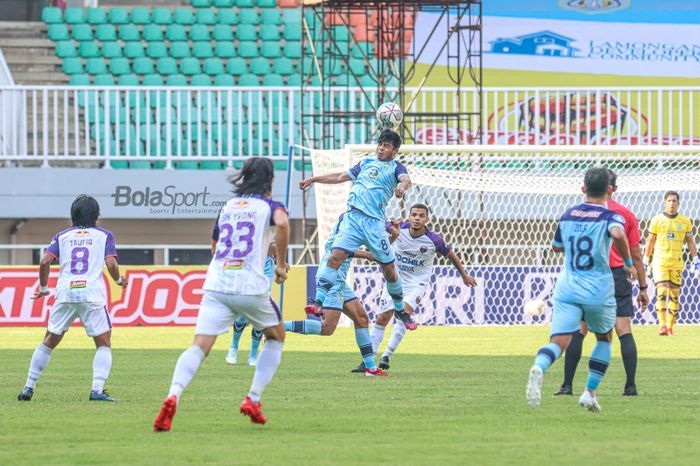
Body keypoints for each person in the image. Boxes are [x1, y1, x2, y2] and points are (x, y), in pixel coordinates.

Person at [154, 158, 289, 431]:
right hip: (249, 285)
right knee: (276, 337)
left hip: (216, 283)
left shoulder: (228, 206)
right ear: (270, 180)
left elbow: (214, 247)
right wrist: (281, 264)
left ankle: (173, 395)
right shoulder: (271, 205)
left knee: (199, 346)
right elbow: (283, 224)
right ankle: (253, 399)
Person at [526, 167, 637, 413]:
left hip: (567, 287)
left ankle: (539, 367)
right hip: (597, 288)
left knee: (560, 341)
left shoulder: (567, 214)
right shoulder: (610, 217)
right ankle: (589, 392)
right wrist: (628, 264)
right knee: (604, 338)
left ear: (583, 188)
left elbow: (556, 247)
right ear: (609, 190)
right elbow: (618, 234)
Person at [299, 129, 416, 330]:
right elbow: (340, 176)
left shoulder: (396, 167)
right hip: (353, 218)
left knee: (389, 270)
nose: (381, 148)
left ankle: (400, 310)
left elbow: (406, 179)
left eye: (386, 145)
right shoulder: (365, 163)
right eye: (380, 144)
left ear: (394, 151)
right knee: (334, 256)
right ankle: (318, 302)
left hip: (374, 224)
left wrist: (402, 187)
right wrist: (314, 179)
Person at [18, 195, 128, 402]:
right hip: (91, 293)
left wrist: (43, 288)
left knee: (49, 340)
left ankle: (28, 388)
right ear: (96, 216)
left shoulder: (62, 236)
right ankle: (96, 390)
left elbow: (44, 261)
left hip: (65, 292)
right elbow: (111, 265)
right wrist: (119, 280)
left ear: (73, 216)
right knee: (103, 343)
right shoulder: (104, 235)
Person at [556, 169, 650, 397]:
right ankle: (630, 386)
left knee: (580, 329)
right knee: (623, 329)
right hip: (618, 275)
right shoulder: (625, 215)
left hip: (588, 275)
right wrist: (643, 287)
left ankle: (567, 385)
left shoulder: (578, 212)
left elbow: (563, 245)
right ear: (612, 189)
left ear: (586, 187)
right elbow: (636, 255)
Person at [351, 204, 477, 372]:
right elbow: (377, 224)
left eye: (421, 216)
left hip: (417, 283)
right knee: (382, 318)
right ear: (409, 217)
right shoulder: (397, 228)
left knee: (403, 312)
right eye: (414, 215)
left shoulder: (434, 240)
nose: (417, 218)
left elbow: (451, 255)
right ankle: (368, 360)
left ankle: (387, 355)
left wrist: (464, 275)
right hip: (394, 279)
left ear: (426, 219)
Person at [283, 213, 388, 376]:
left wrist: (392, 231)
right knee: (327, 328)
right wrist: (366, 253)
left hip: (338, 280)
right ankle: (278, 326)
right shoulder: (351, 218)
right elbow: (339, 248)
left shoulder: (360, 217)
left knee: (361, 318)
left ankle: (370, 368)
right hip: (330, 277)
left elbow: (379, 246)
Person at [644, 191, 699, 336]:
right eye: (669, 201)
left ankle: (670, 327)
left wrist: (696, 260)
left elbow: (690, 242)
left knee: (675, 295)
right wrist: (645, 259)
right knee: (661, 292)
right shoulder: (656, 220)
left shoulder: (685, 221)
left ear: (678, 203)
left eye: (674, 201)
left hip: (677, 262)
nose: (672, 203)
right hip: (660, 261)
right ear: (664, 202)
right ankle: (662, 325)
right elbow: (650, 241)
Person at [225, 243, 277, 367]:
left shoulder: (270, 226)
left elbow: (274, 243)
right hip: (248, 265)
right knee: (244, 311)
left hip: (266, 266)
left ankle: (253, 355)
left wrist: (280, 261)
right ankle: (233, 347)